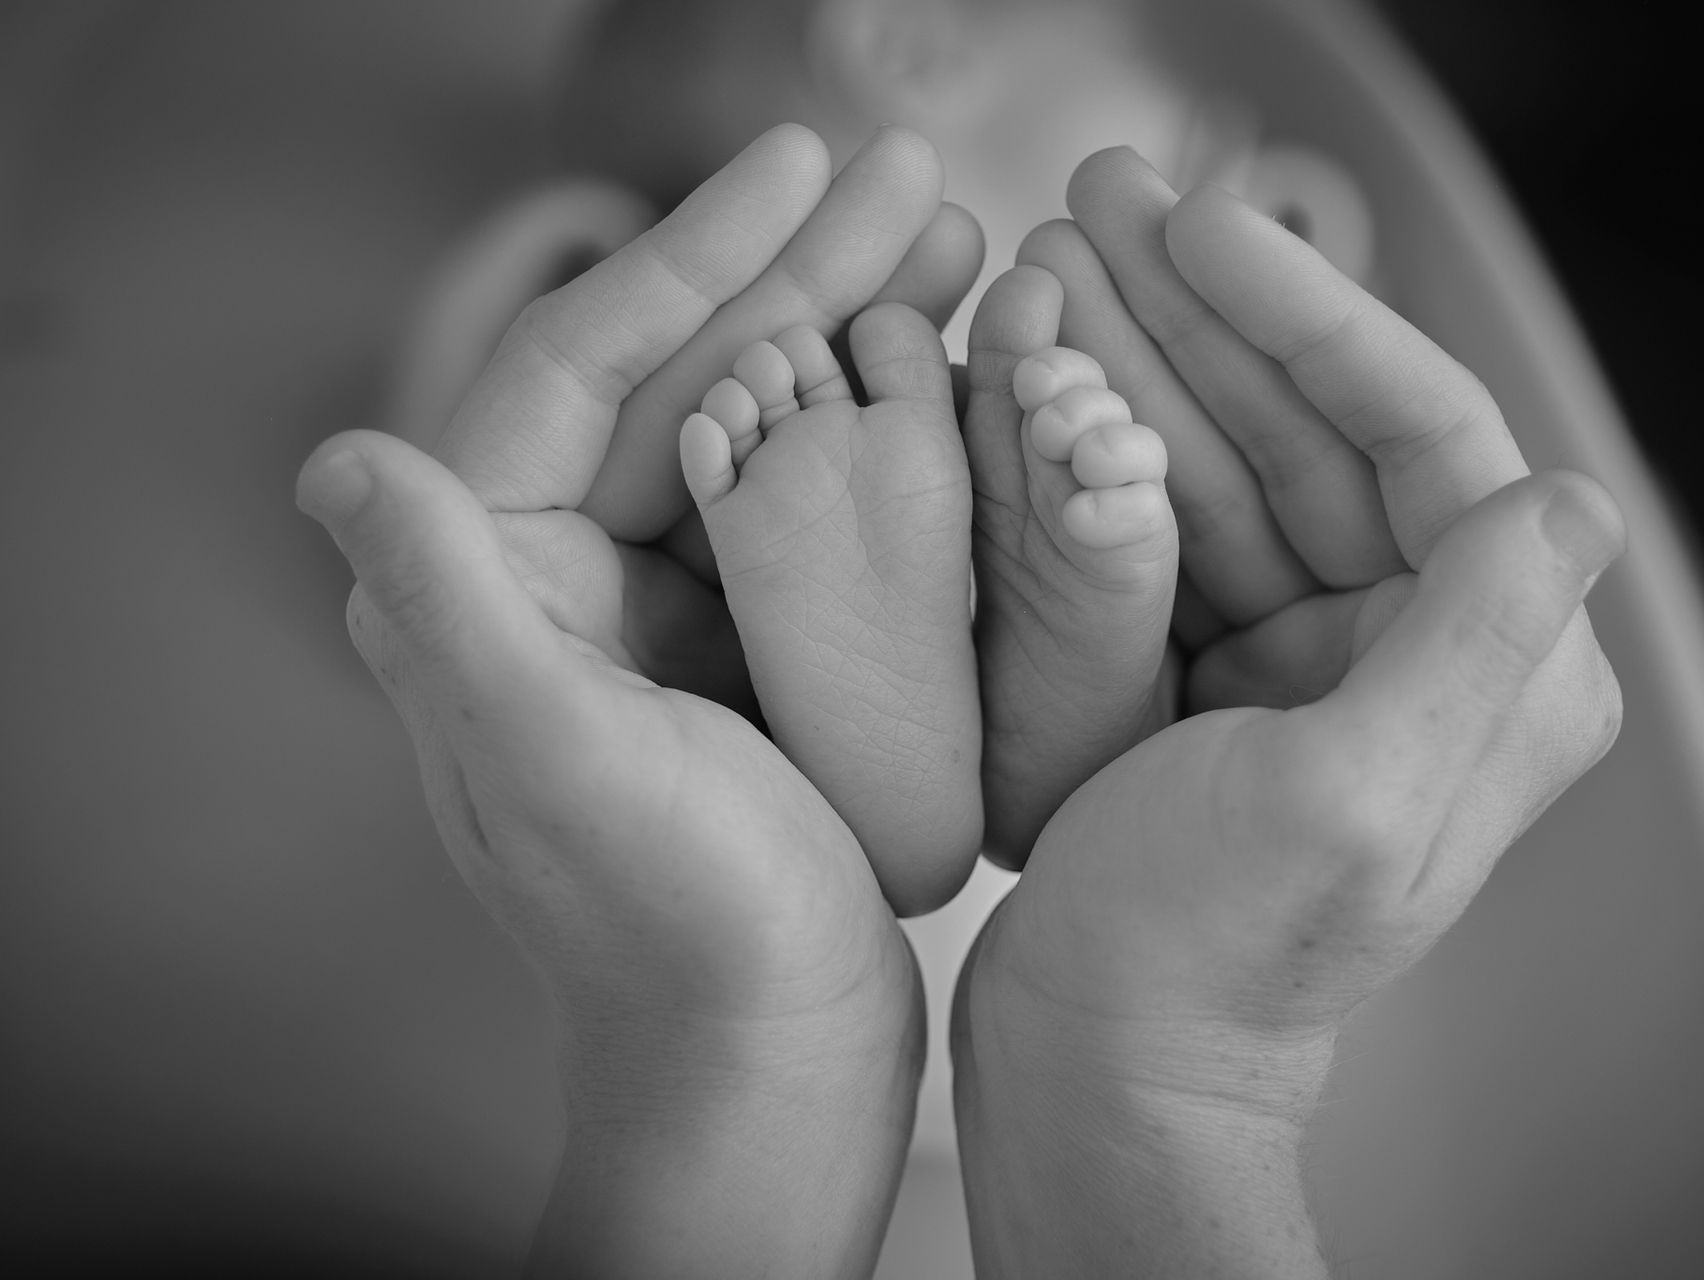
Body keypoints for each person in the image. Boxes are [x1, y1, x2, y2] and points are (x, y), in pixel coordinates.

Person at [296, 123, 1624, 1277]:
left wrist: (724, 1035)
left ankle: (895, 741)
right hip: (1178, 889)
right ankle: (1084, 722)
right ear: (900, 38)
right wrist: (1171, 1068)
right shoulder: (1161, 266)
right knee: (1120, 481)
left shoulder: (681, 314)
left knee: (580, 580)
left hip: (690, 880)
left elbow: (452, 533)